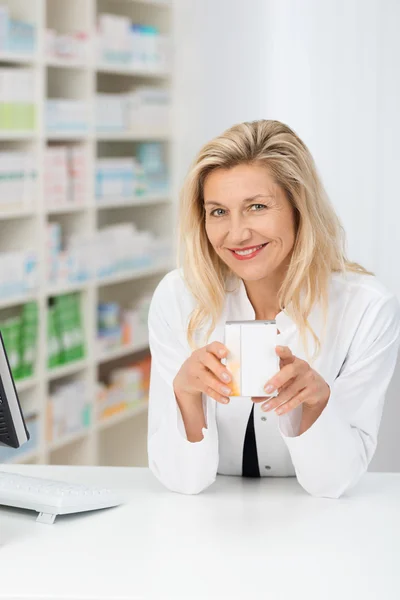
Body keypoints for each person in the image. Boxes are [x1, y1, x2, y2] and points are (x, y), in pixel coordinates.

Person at [147, 119, 400, 498]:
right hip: (205, 525)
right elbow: (182, 482)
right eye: (218, 212)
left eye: (257, 207)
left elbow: (333, 484)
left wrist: (316, 403)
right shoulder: (179, 297)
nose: (236, 233)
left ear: (300, 206)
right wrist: (185, 395)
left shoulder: (366, 308)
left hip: (321, 528)